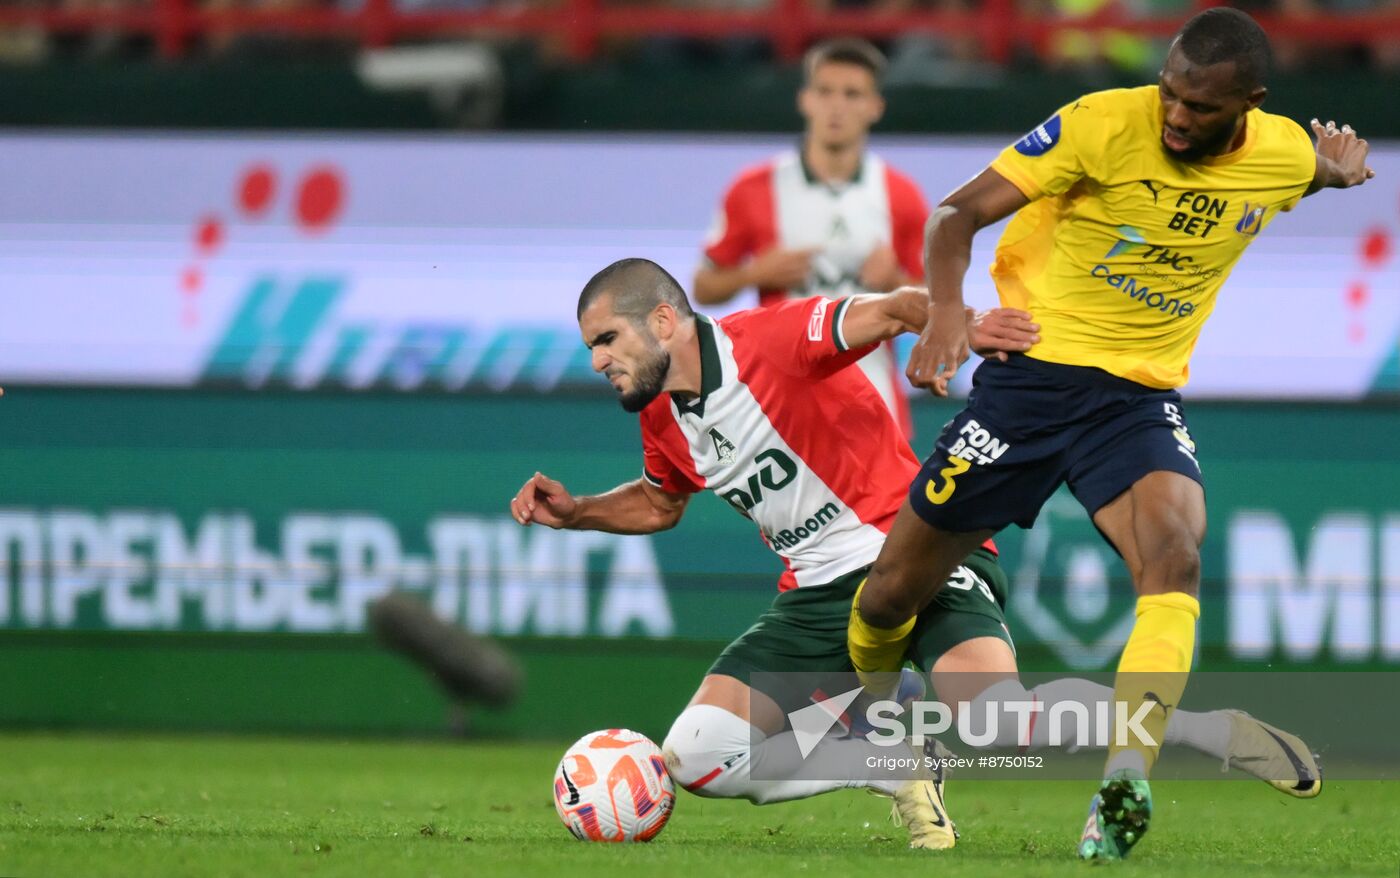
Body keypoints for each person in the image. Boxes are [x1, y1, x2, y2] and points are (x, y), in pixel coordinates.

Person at [512, 258, 1324, 851]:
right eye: (591, 348)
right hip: (816, 595)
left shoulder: (772, 338)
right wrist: (579, 511)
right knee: (696, 755)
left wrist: (962, 330)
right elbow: (661, 502)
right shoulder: (661, 417)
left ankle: (1208, 732)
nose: (598, 361)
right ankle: (891, 761)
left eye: (605, 338)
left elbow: (896, 309)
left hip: (913, 554)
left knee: (1001, 719)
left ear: (662, 320)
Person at [844, 7, 1373, 861]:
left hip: (1135, 399)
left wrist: (1335, 173)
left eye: (1198, 107)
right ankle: (892, 747)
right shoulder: (1099, 123)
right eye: (1169, 93)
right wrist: (945, 314)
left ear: (1249, 103)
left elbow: (1300, 169)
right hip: (1029, 386)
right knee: (886, 600)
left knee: (1177, 557)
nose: (1174, 115)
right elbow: (954, 217)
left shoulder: (1276, 152)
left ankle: (1124, 780)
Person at [693, 37, 927, 438]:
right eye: (825, 91)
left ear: (875, 107)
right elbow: (704, 288)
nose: (837, 106)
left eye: (852, 94)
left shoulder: (901, 196)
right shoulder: (753, 189)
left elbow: (935, 306)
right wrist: (754, 274)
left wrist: (895, 284)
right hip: (779, 404)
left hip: (874, 403)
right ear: (805, 100)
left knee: (893, 503)